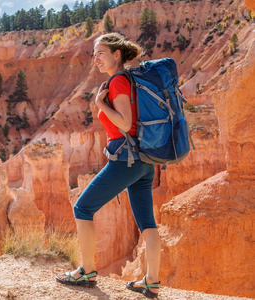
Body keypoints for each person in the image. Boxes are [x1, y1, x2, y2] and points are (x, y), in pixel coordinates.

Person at [55, 33, 161, 299]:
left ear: (117, 55)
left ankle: (87, 271)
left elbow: (125, 123)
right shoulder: (130, 80)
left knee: (83, 207)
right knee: (147, 222)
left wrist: (101, 103)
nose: (96, 58)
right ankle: (151, 281)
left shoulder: (119, 82)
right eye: (94, 53)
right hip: (144, 161)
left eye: (101, 52)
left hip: (126, 159)